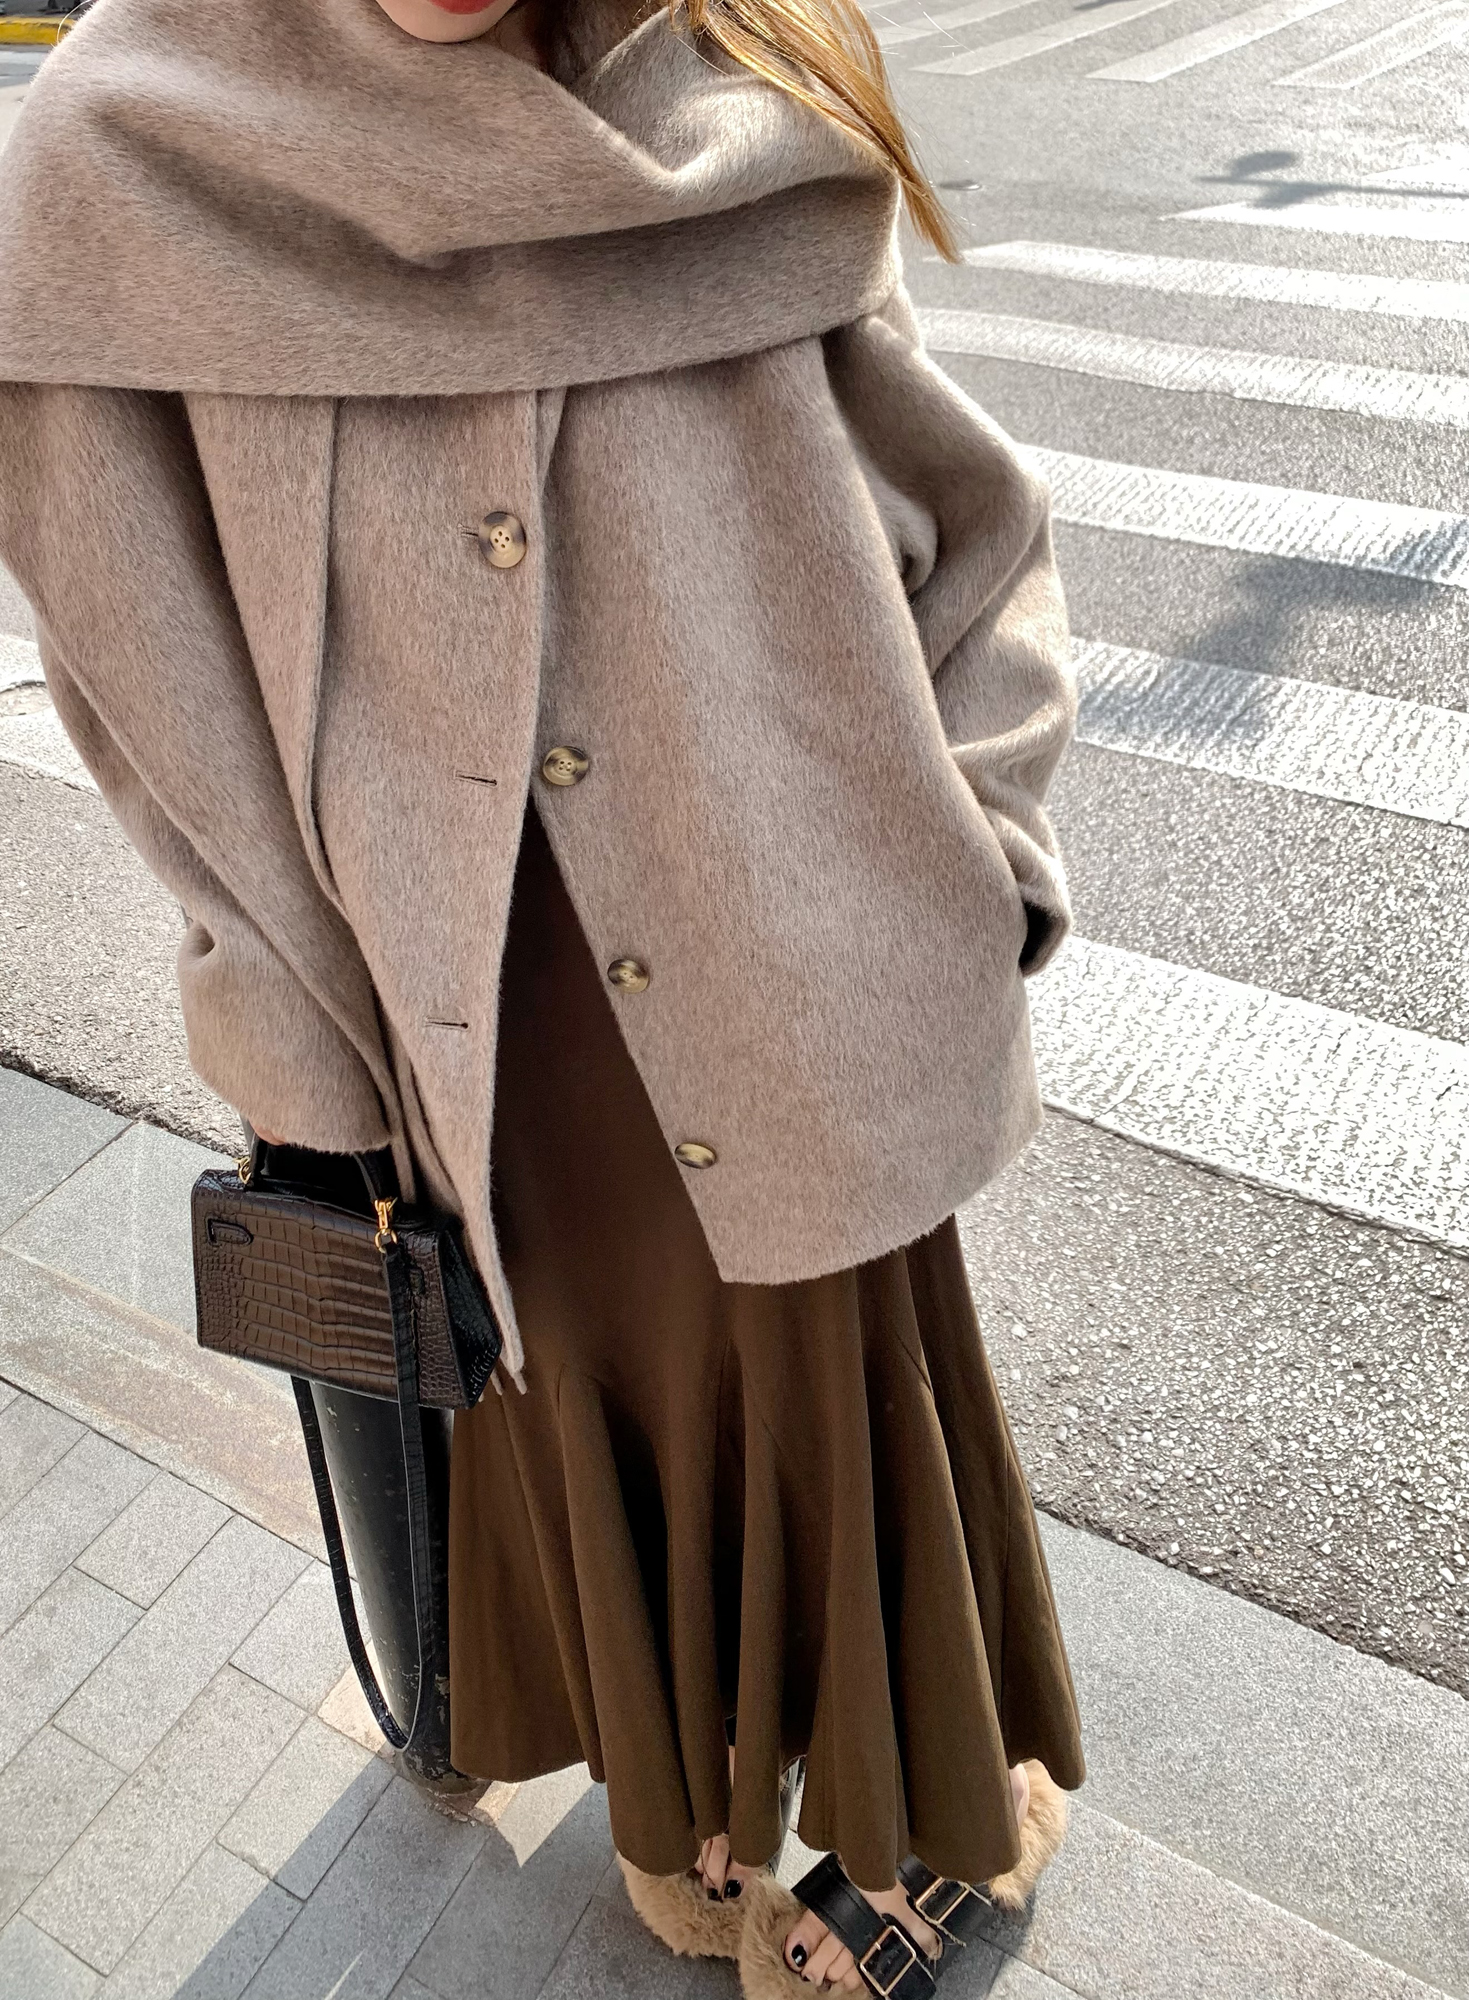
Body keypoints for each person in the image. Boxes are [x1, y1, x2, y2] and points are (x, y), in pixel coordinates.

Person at [0, 0, 1084, 1987]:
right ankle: (697, 1809)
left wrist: (991, 846)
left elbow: (974, 519)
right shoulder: (124, 156)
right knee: (592, 1417)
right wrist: (305, 1053)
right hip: (484, 1030)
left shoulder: (731, 75)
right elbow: (149, 699)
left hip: (816, 972)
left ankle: (938, 1797)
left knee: (840, 1406)